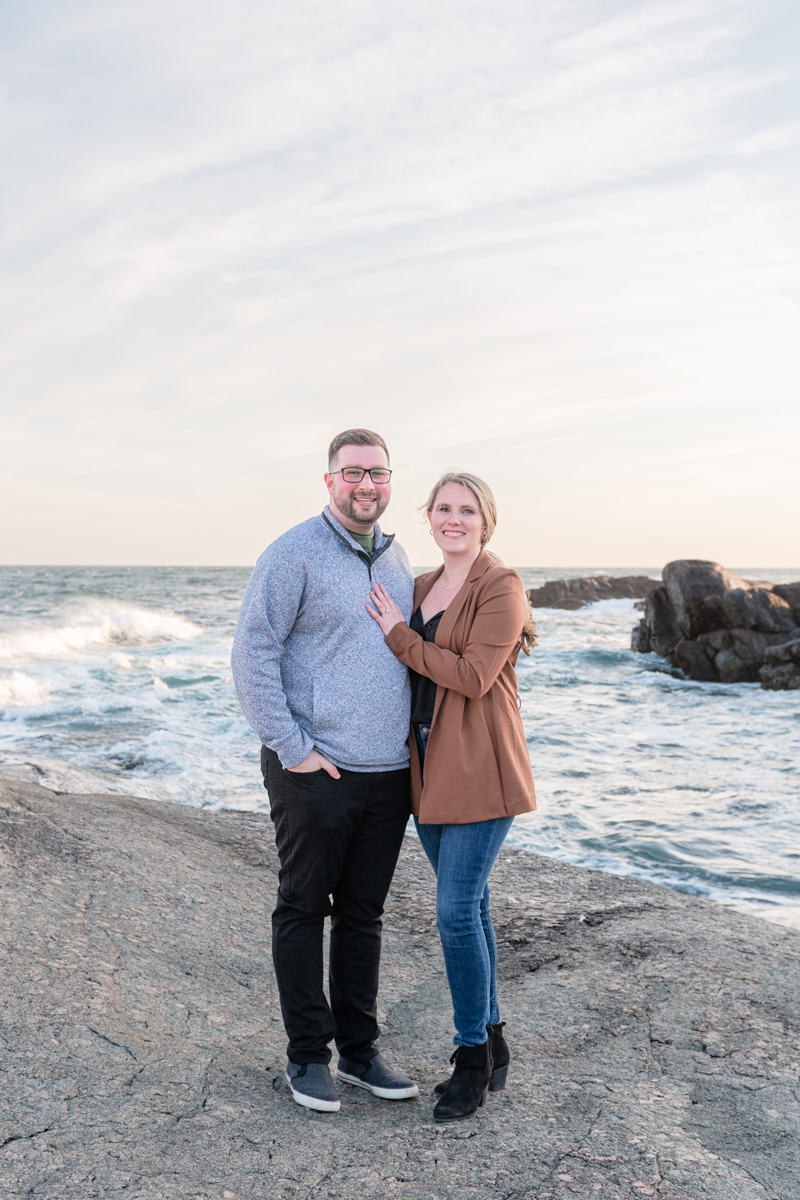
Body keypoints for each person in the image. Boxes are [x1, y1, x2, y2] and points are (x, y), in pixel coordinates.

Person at [231, 429, 420, 1113]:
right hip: (315, 770)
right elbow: (252, 653)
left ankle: (361, 1054)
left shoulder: (399, 559)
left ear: (390, 480)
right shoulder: (292, 554)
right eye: (352, 473)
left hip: (389, 773)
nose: (365, 485)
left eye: (377, 473)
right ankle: (307, 1057)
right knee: (305, 907)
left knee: (364, 916)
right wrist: (293, 746)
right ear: (329, 480)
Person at [366, 471, 537, 1123]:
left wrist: (399, 637)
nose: (454, 519)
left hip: (481, 767)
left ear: (485, 520)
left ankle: (469, 1057)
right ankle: (493, 1039)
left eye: (466, 510)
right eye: (443, 509)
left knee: (455, 911)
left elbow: (472, 675)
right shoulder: (416, 587)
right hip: (427, 767)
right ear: (429, 517)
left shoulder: (502, 586)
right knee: (474, 907)